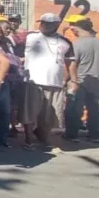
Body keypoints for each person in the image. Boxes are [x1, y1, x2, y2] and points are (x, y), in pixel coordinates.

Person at [22, 13, 74, 150]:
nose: (43, 25)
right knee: (30, 113)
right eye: (42, 22)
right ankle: (28, 140)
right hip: (33, 82)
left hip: (55, 83)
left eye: (47, 23)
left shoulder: (65, 42)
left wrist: (69, 79)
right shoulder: (30, 37)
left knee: (51, 116)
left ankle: (46, 139)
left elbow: (71, 63)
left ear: (56, 25)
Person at [65, 19, 99, 143]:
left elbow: (72, 64)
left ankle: (72, 134)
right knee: (94, 108)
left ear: (77, 29)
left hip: (80, 81)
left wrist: (69, 80)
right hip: (97, 80)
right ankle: (94, 135)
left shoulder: (77, 45)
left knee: (75, 108)